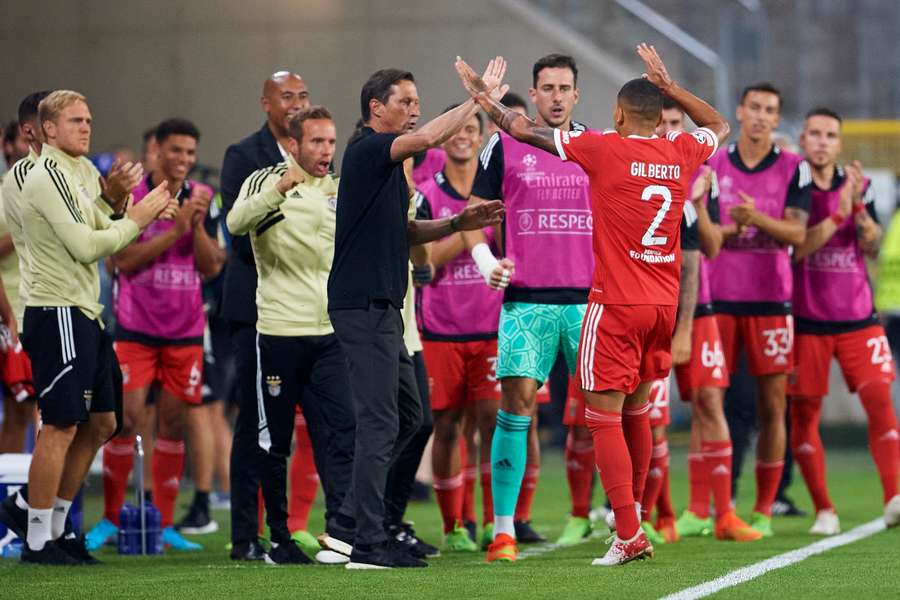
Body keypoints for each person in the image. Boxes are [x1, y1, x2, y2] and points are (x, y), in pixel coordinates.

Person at [455, 42, 730, 565]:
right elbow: (718, 126)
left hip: (612, 303)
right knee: (639, 412)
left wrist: (484, 100)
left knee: (601, 418)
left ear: (618, 113)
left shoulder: (603, 147)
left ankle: (627, 531)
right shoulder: (680, 152)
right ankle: (630, 521)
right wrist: (673, 87)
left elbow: (518, 130)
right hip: (662, 306)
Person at [323, 61, 506, 569]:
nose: (414, 110)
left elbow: (403, 235)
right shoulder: (365, 151)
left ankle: (353, 521)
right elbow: (428, 137)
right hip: (362, 305)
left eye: (416, 101)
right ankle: (364, 539)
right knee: (381, 420)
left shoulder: (387, 169)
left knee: (413, 417)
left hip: (385, 307)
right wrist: (478, 100)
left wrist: (455, 222)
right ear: (375, 108)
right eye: (404, 101)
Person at [17, 90, 171, 564]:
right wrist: (139, 217)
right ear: (47, 129)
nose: (86, 127)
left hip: (85, 308)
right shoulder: (45, 174)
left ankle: (57, 526)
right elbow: (88, 247)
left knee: (104, 421)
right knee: (60, 423)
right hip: (55, 308)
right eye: (75, 120)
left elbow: (104, 222)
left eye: (89, 119)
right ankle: (37, 536)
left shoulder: (81, 171)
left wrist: (120, 202)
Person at [462, 53, 595, 553]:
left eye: (565, 88)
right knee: (514, 410)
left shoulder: (596, 145)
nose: (557, 96)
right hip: (525, 303)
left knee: (604, 412)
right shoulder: (501, 144)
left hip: (589, 301)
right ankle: (502, 530)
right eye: (548, 88)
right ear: (534, 94)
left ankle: (623, 521)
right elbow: (474, 215)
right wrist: (483, 262)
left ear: (577, 95)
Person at [226, 105, 358, 565]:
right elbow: (235, 223)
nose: (326, 150)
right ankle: (278, 536)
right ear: (295, 144)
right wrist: (278, 191)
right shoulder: (266, 179)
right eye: (317, 142)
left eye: (331, 141)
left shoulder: (340, 189)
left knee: (343, 432)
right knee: (273, 442)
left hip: (329, 335)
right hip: (279, 332)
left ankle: (341, 532)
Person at [84, 118, 223, 552]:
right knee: (124, 419)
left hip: (184, 331)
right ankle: (109, 519)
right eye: (176, 150)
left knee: (174, 423)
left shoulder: (203, 200)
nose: (183, 159)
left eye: (190, 152)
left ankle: (160, 524)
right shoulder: (132, 198)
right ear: (156, 151)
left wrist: (195, 226)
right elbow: (122, 261)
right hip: (135, 328)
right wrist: (176, 231)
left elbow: (212, 265)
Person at [220, 70, 319, 561]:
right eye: (287, 97)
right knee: (254, 426)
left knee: (309, 424)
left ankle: (299, 526)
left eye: (303, 95)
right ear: (266, 104)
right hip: (255, 309)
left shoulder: (319, 155)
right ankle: (245, 535)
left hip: (309, 313)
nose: (297, 103)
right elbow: (238, 230)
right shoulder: (244, 156)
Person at [706, 82, 812, 537]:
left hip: (771, 300)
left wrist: (755, 220)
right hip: (719, 299)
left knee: (773, 406)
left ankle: (765, 510)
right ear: (740, 110)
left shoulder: (794, 168)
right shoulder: (713, 162)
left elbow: (798, 234)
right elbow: (705, 231)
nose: (761, 116)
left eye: (770, 109)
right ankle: (717, 505)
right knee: (713, 403)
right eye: (755, 107)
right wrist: (729, 229)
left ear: (776, 118)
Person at [789, 107, 900, 532]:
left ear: (839, 143)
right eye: (814, 133)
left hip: (858, 319)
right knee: (805, 417)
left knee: (880, 402)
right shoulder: (794, 187)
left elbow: (870, 246)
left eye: (829, 135)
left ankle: (892, 498)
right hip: (807, 322)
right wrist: (837, 211)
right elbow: (797, 249)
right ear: (803, 141)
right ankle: (824, 510)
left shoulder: (861, 186)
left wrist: (859, 213)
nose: (821, 141)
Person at [656, 100, 761, 543]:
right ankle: (659, 517)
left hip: (699, 310)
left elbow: (711, 248)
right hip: (650, 312)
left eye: (676, 124)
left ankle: (719, 514)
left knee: (709, 405)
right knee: (650, 417)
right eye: (660, 123)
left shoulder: (702, 172)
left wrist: (698, 202)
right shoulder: (630, 169)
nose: (668, 131)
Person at [418, 108, 503, 552]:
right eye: (455, 130)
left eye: (471, 129)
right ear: (442, 139)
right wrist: (466, 227)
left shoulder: (498, 193)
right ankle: (454, 525)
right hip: (443, 327)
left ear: (483, 135)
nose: (463, 137)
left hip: (490, 325)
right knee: (447, 427)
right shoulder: (428, 195)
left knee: (491, 424)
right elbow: (425, 264)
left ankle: (492, 521)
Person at [0, 93, 51, 454]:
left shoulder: (64, 180)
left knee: (53, 410)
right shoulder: (6, 189)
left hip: (52, 308)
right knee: (19, 411)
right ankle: (9, 496)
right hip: (12, 313)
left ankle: (45, 501)